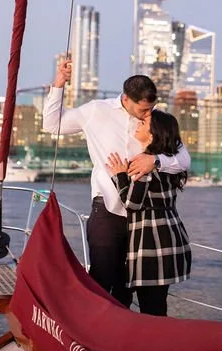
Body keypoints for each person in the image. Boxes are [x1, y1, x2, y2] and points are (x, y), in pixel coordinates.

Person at [42, 57, 191, 308]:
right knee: (100, 279)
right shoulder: (95, 111)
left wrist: (154, 161)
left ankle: (123, 338)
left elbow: (184, 159)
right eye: (143, 109)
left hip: (141, 219)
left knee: (126, 285)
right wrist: (58, 84)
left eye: (151, 108)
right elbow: (51, 124)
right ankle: (91, 335)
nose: (148, 113)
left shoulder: (153, 122)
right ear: (126, 99)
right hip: (108, 209)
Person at [106, 109, 192, 316]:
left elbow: (132, 204)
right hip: (171, 235)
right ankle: (159, 344)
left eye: (143, 124)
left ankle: (140, 343)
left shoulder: (143, 162)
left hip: (150, 240)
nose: (138, 125)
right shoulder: (168, 162)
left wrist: (119, 176)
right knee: (156, 304)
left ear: (153, 134)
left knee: (147, 307)